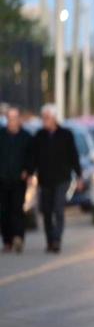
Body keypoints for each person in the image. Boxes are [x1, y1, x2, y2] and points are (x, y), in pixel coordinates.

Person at [31, 105, 84, 253]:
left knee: (58, 209)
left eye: (47, 118)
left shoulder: (66, 135)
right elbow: (33, 158)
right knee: (47, 211)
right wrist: (30, 173)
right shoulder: (39, 136)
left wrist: (79, 176)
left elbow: (74, 156)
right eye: (43, 118)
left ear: (54, 118)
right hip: (45, 180)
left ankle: (57, 239)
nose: (45, 121)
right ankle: (49, 240)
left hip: (62, 179)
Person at [0, 107, 34, 253]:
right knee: (3, 211)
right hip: (2, 180)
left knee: (17, 209)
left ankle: (18, 237)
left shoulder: (26, 137)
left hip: (19, 181)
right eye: (9, 119)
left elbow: (32, 157)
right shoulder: (1, 136)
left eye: (14, 119)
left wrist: (28, 171)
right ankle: (7, 241)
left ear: (19, 120)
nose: (12, 122)